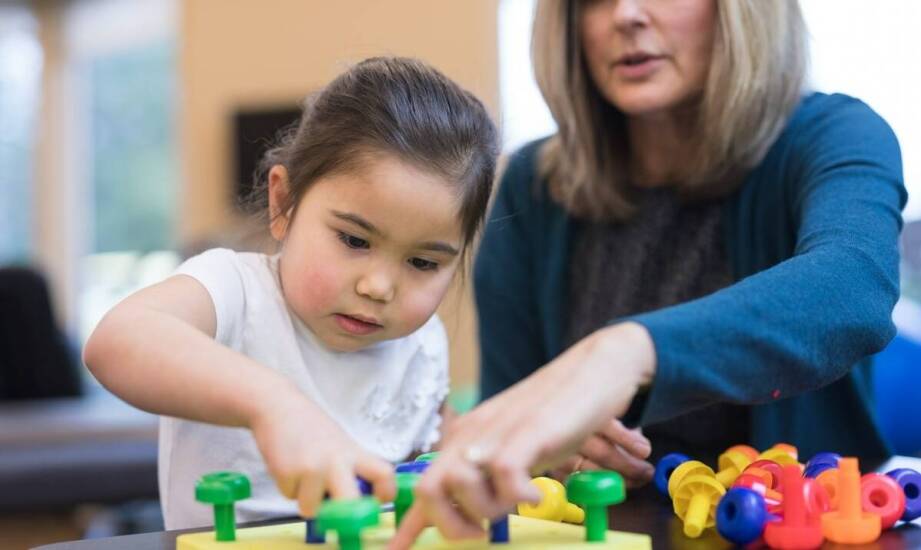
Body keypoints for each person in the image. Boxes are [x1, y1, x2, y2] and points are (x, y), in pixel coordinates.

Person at [390, 0, 905, 545]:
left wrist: (625, 355)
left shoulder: (836, 135)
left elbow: (854, 287)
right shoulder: (531, 187)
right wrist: (553, 460)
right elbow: (514, 422)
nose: (626, 15)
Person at [83, 56, 498, 529]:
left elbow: (431, 473)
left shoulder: (422, 345)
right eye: (354, 240)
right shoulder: (234, 291)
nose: (379, 287)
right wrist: (273, 405)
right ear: (283, 204)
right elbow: (115, 341)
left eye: (423, 263)